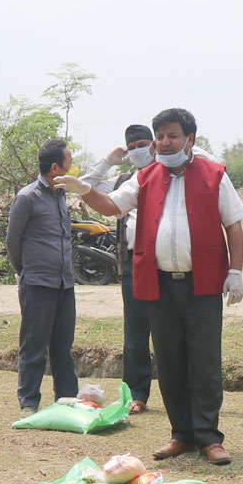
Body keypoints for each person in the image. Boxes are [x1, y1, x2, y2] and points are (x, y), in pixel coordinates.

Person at [69, 107, 243, 464]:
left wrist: (236, 272)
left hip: (203, 285)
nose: (164, 144)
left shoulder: (214, 175)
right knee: (169, 362)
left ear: (190, 139)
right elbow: (111, 207)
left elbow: (235, 225)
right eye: (160, 137)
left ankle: (209, 438)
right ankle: (181, 434)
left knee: (205, 362)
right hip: (160, 285)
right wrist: (86, 189)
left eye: (172, 136)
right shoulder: (145, 177)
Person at [81, 124, 157, 414]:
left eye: (143, 144)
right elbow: (84, 185)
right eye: (132, 146)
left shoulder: (171, 176)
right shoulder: (124, 180)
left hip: (165, 263)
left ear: (154, 144)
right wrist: (109, 160)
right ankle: (137, 394)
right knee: (135, 332)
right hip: (133, 265)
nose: (138, 149)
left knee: (172, 332)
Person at [6, 137, 79, 411]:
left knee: (63, 347)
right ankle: (29, 403)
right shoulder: (27, 197)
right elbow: (13, 241)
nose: (72, 166)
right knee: (34, 346)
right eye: (68, 161)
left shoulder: (61, 194)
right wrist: (24, 273)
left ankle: (68, 401)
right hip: (37, 283)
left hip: (64, 283)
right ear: (55, 167)